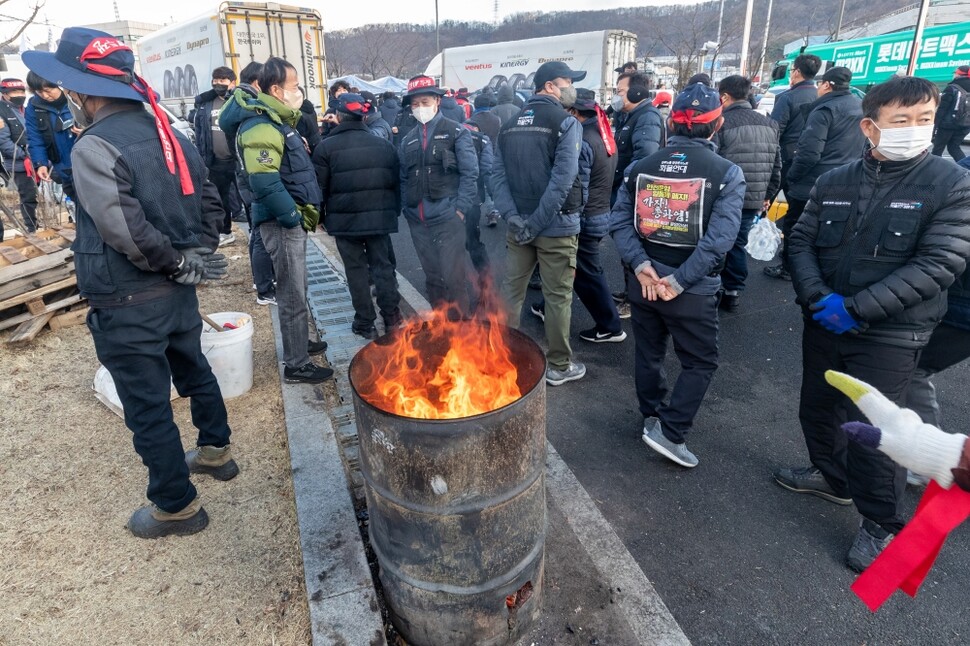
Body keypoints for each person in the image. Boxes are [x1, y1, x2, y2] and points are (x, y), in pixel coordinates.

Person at [24, 27, 236, 538]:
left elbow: (124, 228)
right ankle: (216, 450)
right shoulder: (171, 133)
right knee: (193, 367)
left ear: (83, 92)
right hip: (173, 290)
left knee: (146, 402)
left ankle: (176, 505)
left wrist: (177, 261)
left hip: (128, 295)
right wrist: (193, 256)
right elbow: (211, 203)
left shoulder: (95, 146)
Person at [779, 75, 970, 572]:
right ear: (870, 126)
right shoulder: (834, 180)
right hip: (824, 320)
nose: (915, 129)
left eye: (924, 119)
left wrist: (857, 308)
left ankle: (881, 523)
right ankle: (832, 478)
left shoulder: (953, 184)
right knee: (818, 411)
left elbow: (939, 263)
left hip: (891, 332)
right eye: (901, 121)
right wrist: (819, 298)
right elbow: (800, 241)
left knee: (878, 433)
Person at [609, 82, 744, 468]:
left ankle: (651, 415)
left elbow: (619, 222)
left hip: (646, 283)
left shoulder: (640, 168)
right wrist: (679, 281)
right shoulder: (726, 173)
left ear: (672, 124)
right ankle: (671, 432)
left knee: (649, 352)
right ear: (716, 126)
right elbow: (720, 241)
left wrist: (641, 268)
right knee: (699, 362)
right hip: (691, 289)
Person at [220, 56, 333, 384]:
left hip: (288, 220)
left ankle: (298, 343)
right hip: (280, 222)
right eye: (294, 86)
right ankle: (296, 364)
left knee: (298, 286)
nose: (298, 91)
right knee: (291, 292)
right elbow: (264, 182)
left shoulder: (276, 120)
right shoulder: (261, 126)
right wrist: (293, 216)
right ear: (275, 89)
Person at [492, 60, 587, 386]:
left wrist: (514, 218)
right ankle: (559, 365)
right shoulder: (566, 123)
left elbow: (497, 179)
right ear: (549, 85)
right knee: (558, 296)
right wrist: (536, 222)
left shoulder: (509, 124)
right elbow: (562, 182)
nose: (570, 87)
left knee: (511, 293)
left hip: (519, 227)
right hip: (555, 227)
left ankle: (501, 357)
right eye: (567, 81)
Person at [532, 88, 624, 343]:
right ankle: (544, 305)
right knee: (568, 266)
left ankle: (610, 325)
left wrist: (567, 218)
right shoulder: (603, 134)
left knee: (587, 273)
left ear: (573, 112)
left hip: (585, 217)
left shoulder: (582, 140)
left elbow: (576, 186)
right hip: (600, 210)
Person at [312, 93, 402, 339]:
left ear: (338, 116)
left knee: (356, 271)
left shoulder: (325, 148)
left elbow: (319, 189)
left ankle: (365, 322)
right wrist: (394, 211)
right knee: (383, 268)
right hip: (380, 219)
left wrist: (320, 218)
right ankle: (392, 318)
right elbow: (396, 183)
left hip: (344, 221)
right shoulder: (384, 145)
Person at [398, 75, 478, 315]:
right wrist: (407, 209)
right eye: (415, 104)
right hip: (418, 221)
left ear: (437, 101)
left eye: (424, 102)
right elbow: (403, 177)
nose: (420, 108)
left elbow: (470, 173)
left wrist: (460, 210)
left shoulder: (456, 132)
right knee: (432, 277)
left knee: (454, 278)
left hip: (448, 219)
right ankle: (440, 328)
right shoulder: (407, 140)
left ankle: (461, 332)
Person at [778, 66, 866, 281]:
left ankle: (790, 269)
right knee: (830, 228)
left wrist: (792, 176)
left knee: (797, 227)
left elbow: (809, 153)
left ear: (826, 84)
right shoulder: (859, 107)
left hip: (814, 180)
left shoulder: (824, 110)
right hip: (848, 179)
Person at [713, 75, 782, 312]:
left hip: (723, 196)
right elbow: (776, 165)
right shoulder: (770, 124)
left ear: (724, 96)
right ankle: (733, 290)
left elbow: (714, 162)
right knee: (738, 243)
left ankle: (713, 287)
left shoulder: (721, 123)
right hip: (754, 197)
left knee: (716, 241)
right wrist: (768, 195)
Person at [765, 53, 821, 281]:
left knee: (784, 212)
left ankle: (787, 262)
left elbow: (774, 131)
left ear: (797, 72)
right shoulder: (822, 95)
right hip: (815, 164)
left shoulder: (788, 98)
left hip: (788, 160)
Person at [192, 66, 239, 246]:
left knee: (247, 198)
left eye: (223, 80)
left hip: (237, 161)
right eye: (216, 80)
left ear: (232, 82)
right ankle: (226, 231)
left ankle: (255, 233)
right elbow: (201, 132)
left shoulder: (237, 100)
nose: (218, 84)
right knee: (220, 199)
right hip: (216, 162)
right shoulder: (206, 103)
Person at [24, 71, 78, 201]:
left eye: (48, 90)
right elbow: (35, 137)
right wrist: (40, 163)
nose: (44, 96)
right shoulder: (34, 107)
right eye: (39, 92)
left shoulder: (76, 99)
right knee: (77, 203)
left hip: (85, 162)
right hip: (63, 166)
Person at [0, 77, 38, 232]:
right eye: (14, 91)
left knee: (35, 196)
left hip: (36, 160)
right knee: (28, 197)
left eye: (21, 91)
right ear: (5, 94)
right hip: (19, 163)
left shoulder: (27, 109)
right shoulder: (2, 112)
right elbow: (5, 143)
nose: (19, 94)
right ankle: (32, 228)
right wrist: (25, 154)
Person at [467, 92, 502, 227]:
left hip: (474, 156)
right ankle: (492, 213)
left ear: (475, 105)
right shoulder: (496, 119)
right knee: (489, 186)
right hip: (492, 155)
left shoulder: (471, 120)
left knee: (475, 185)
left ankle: (471, 213)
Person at [930, 65, 970, 161]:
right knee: (954, 147)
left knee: (937, 149)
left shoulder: (952, 88)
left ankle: (934, 172)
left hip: (947, 125)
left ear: (959, 74)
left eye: (955, 73)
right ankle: (966, 169)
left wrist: (935, 125)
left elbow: (942, 109)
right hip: (965, 125)